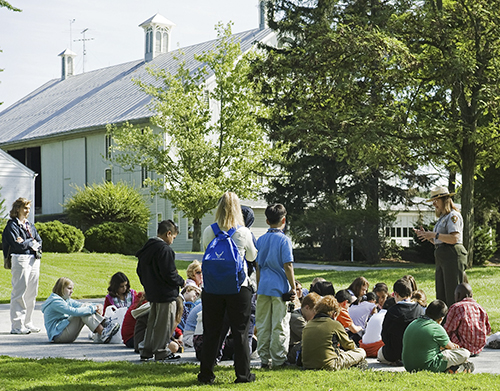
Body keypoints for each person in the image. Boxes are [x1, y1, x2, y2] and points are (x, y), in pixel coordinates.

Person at [198, 192, 257, 385]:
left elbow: (207, 251)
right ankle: (242, 375)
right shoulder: (243, 232)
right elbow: (250, 257)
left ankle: (206, 374)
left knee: (211, 332)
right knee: (240, 332)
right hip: (238, 288)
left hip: (213, 288)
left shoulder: (209, 230)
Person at [136, 219, 185, 361]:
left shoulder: (147, 248)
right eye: (173, 238)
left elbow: (140, 270)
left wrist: (147, 285)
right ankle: (161, 351)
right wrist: (181, 281)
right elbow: (169, 273)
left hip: (152, 292)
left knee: (152, 323)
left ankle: (146, 350)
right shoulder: (165, 250)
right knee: (164, 324)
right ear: (168, 233)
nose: (172, 241)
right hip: (165, 294)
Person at [255, 203, 296, 369]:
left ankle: (263, 359)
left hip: (263, 286)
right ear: (284, 220)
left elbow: (257, 267)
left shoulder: (261, 240)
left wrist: (259, 287)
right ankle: (278, 359)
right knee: (279, 324)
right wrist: (293, 286)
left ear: (266, 220)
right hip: (279, 288)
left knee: (263, 324)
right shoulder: (284, 240)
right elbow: (288, 265)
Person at [415, 186, 468, 307]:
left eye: (436, 200)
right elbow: (440, 241)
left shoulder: (453, 216)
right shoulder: (442, 218)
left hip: (452, 255)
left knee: (453, 293)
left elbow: (454, 238)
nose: (434, 204)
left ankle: (456, 321)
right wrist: (428, 236)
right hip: (442, 256)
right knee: (441, 294)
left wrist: (434, 234)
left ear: (445, 200)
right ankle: (444, 322)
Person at [2, 197, 43, 334]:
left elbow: (39, 241)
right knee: (19, 291)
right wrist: (31, 243)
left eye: (29, 208)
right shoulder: (12, 226)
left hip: (34, 259)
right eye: (25, 208)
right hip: (20, 259)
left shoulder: (29, 225)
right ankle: (17, 325)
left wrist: (28, 242)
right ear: (17, 209)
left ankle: (28, 322)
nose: (27, 211)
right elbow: (17, 245)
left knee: (32, 292)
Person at [402, 300, 474, 373]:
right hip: (427, 365)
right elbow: (451, 348)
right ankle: (453, 369)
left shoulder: (413, 323)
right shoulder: (436, 328)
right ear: (441, 318)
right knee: (465, 353)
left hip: (409, 366)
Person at [41, 277, 120, 343]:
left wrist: (97, 306)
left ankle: (103, 330)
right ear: (61, 288)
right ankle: (103, 331)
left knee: (85, 308)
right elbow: (73, 312)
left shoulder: (65, 299)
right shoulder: (55, 302)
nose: (71, 291)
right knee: (83, 310)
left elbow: (80, 305)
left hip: (64, 331)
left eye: (72, 289)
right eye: (69, 288)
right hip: (58, 335)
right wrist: (94, 308)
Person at [302, 295, 367, 371]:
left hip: (308, 365)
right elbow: (349, 345)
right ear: (334, 314)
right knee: (361, 352)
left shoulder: (308, 325)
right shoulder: (335, 324)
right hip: (329, 364)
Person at [378, 278, 425, 365]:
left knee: (380, 353)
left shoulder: (392, 311)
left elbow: (384, 334)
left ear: (396, 294)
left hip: (394, 353)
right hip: (415, 352)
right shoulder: (419, 310)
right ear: (411, 294)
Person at [444, 283, 491, 356]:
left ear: (458, 295)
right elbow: (488, 330)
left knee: (446, 334)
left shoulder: (456, 307)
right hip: (478, 348)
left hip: (462, 347)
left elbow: (447, 330)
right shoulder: (480, 308)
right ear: (471, 295)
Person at [288, 292, 321, 364]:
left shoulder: (302, 316)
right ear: (307, 308)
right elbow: (310, 336)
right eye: (315, 313)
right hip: (291, 351)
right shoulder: (296, 318)